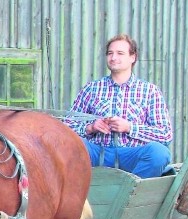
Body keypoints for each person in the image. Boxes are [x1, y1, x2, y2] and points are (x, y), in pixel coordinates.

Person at [64, 34, 173, 178]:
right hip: (97, 152)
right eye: (110, 53)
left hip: (131, 153)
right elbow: (66, 127)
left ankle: (131, 193)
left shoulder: (149, 91)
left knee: (159, 153)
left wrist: (129, 127)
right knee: (67, 145)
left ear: (132, 57)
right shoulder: (92, 89)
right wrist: (91, 127)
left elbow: (165, 134)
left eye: (120, 53)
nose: (113, 57)